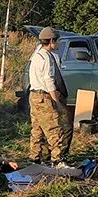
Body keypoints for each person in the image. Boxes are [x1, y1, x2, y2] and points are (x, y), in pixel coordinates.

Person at [28, 27, 72, 166]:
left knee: (37, 129)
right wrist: (55, 100)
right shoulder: (47, 57)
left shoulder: (36, 55)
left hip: (33, 96)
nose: (58, 44)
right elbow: (48, 80)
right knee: (54, 128)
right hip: (43, 96)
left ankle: (34, 158)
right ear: (51, 41)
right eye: (56, 41)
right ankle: (57, 160)